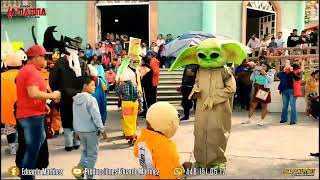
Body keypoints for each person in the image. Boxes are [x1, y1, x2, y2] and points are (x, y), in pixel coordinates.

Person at [15, 45, 61, 180]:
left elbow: (29, 94)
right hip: (31, 116)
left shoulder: (29, 70)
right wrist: (53, 95)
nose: (47, 60)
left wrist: (43, 105)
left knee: (36, 143)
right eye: (45, 57)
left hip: (32, 114)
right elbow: (33, 93)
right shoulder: (31, 71)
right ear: (36, 58)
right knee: (32, 150)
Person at [134, 102, 185, 179]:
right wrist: (181, 170)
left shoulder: (142, 141)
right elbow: (170, 175)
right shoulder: (166, 147)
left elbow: (137, 153)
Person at [73, 76, 104, 180]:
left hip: (81, 131)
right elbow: (96, 116)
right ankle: (90, 177)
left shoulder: (75, 99)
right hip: (91, 131)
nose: (94, 87)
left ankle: (78, 172)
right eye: (92, 85)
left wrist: (76, 131)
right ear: (85, 86)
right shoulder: (91, 99)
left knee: (85, 152)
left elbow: (75, 116)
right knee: (92, 155)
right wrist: (101, 128)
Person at [116, 56, 143, 146]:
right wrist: (141, 105)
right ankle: (134, 135)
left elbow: (117, 93)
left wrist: (117, 83)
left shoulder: (122, 85)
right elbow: (139, 96)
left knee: (127, 121)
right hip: (134, 103)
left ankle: (130, 137)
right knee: (133, 120)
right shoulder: (134, 85)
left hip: (126, 104)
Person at [139, 51, 160, 118]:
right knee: (150, 98)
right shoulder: (153, 61)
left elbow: (156, 72)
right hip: (152, 82)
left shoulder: (153, 61)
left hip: (151, 83)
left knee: (149, 98)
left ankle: (150, 112)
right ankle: (147, 111)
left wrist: (148, 71)